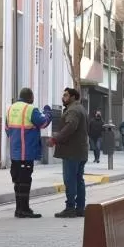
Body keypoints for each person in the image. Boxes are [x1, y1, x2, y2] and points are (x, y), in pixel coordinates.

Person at [5, 87, 51, 218]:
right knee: (25, 182)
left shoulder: (10, 109)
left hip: (15, 153)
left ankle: (19, 209)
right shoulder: (30, 109)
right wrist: (48, 112)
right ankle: (24, 209)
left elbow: (7, 130)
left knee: (18, 182)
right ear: (30, 97)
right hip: (27, 152)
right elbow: (43, 123)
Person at [52, 87, 89, 218]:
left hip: (71, 152)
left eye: (66, 95)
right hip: (80, 151)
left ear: (73, 97)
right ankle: (80, 208)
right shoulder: (81, 109)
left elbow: (70, 126)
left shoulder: (73, 110)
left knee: (70, 180)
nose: (63, 98)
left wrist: (55, 139)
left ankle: (70, 208)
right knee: (79, 180)